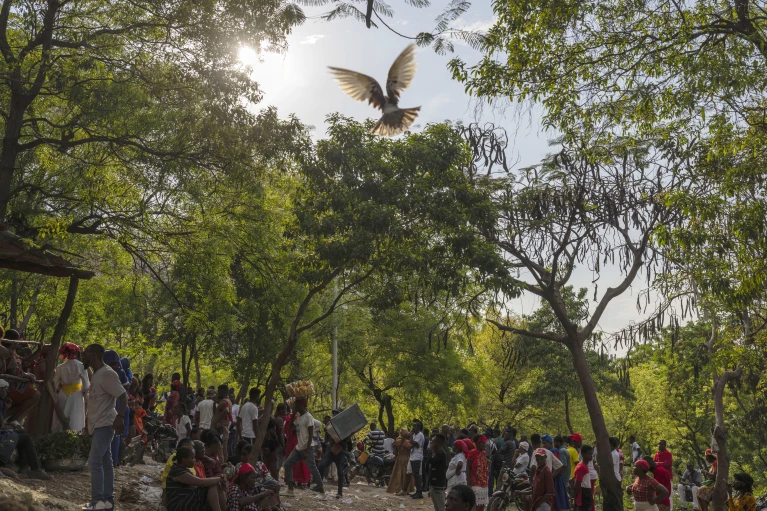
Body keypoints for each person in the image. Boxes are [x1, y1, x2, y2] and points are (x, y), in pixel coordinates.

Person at [82, 343, 127, 511]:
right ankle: (108, 502)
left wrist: (120, 416)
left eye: (85, 354)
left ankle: (98, 501)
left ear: (93, 355)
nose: (83, 357)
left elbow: (123, 396)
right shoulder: (98, 374)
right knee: (106, 462)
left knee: (94, 461)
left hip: (106, 424)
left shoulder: (107, 374)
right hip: (98, 424)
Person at [282, 397, 324, 495]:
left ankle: (321, 489)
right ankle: (290, 489)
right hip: (299, 447)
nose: (295, 406)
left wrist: (306, 450)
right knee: (287, 464)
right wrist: (292, 415)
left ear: (302, 405)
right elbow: (290, 428)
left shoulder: (308, 417)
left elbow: (310, 435)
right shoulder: (299, 417)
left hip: (307, 448)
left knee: (312, 468)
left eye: (297, 405)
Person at [165, 446, 226, 511]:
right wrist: (220, 478)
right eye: (192, 458)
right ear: (184, 460)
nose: (194, 460)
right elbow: (200, 482)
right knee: (212, 484)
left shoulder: (183, 469)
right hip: (178, 505)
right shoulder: (177, 471)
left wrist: (219, 481)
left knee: (217, 485)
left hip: (186, 500)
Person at [52, 342, 89, 433]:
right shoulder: (81, 366)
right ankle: (74, 436)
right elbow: (86, 385)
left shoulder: (60, 367)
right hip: (77, 395)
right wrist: (84, 392)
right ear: (76, 353)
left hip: (62, 394)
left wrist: (60, 387)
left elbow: (55, 384)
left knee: (60, 418)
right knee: (75, 418)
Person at [283, 401, 310, 490]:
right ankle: (291, 482)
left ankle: (300, 481)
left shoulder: (305, 417)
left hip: (299, 441)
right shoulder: (289, 418)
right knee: (291, 462)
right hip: (292, 442)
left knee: (300, 463)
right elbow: (288, 430)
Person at [388, 428, 415, 495]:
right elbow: (411, 451)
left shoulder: (397, 442)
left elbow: (395, 452)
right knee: (407, 473)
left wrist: (397, 457)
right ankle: (407, 489)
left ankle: (398, 488)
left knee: (398, 473)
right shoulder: (408, 442)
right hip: (407, 458)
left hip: (399, 458)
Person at [467, 436, 489, 511]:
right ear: (478, 444)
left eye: (485, 443)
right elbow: (468, 468)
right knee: (474, 505)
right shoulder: (472, 453)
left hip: (484, 482)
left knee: (481, 505)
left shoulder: (483, 453)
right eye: (483, 443)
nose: (484, 445)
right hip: (475, 483)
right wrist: (469, 483)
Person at [212, 384, 233, 462]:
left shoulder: (224, 402)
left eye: (218, 391)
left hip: (221, 428)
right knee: (224, 450)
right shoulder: (227, 401)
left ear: (221, 392)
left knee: (220, 449)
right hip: (224, 428)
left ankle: (222, 466)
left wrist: (216, 420)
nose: (217, 393)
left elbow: (226, 410)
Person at [429, 434, 448, 511]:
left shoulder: (441, 453)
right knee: (437, 507)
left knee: (441, 507)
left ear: (438, 442)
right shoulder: (437, 453)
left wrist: (431, 450)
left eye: (433, 442)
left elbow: (431, 460)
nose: (432, 443)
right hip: (434, 484)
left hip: (438, 484)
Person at [572, 445, 594, 511]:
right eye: (589, 453)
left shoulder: (584, 466)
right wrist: (573, 497)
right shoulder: (581, 467)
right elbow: (578, 483)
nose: (591, 455)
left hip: (586, 495)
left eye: (591, 454)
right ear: (583, 454)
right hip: (583, 496)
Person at [410, 421, 426, 499]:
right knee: (414, 474)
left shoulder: (420, 435)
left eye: (415, 426)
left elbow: (415, 444)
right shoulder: (414, 435)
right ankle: (417, 491)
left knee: (417, 474)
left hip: (417, 457)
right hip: (413, 456)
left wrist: (410, 437)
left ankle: (419, 492)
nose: (414, 428)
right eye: (413, 426)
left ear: (419, 427)